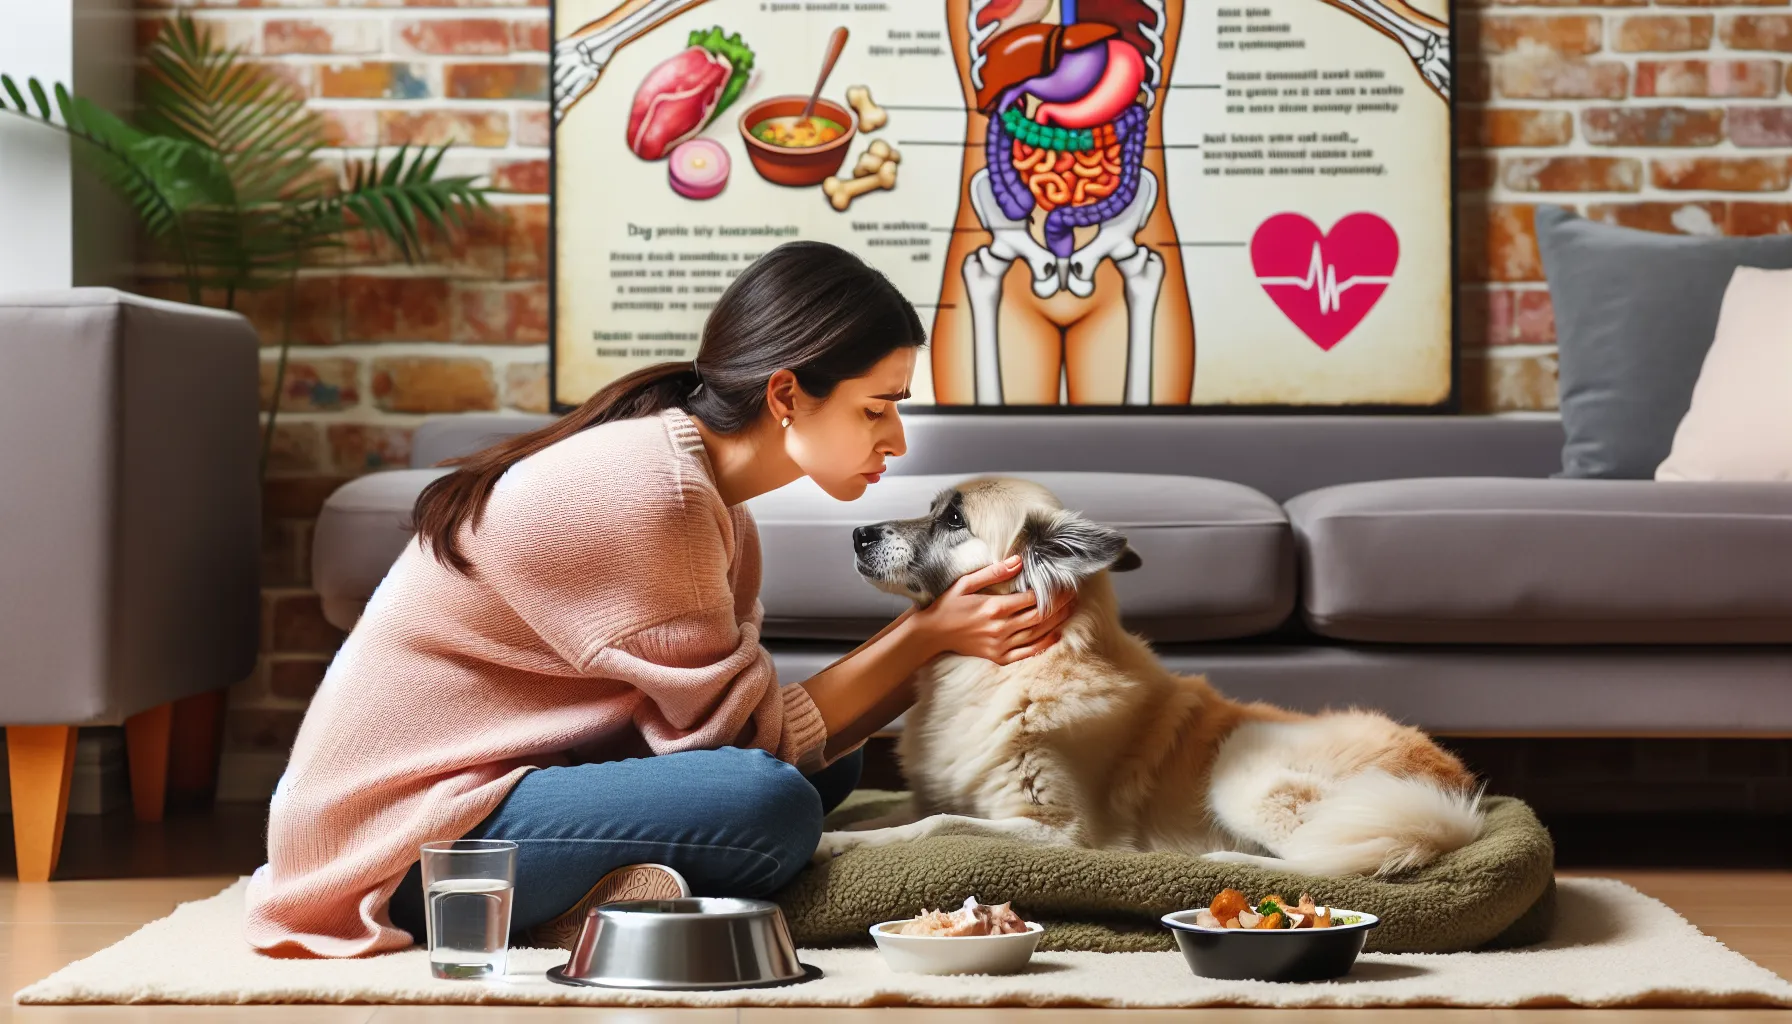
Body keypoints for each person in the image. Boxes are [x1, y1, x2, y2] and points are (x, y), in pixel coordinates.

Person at [242, 241, 1078, 957]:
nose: (896, 438)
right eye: (877, 407)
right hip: (402, 843)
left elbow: (725, 725)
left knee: (833, 761)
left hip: (514, 774)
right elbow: (751, 748)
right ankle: (553, 908)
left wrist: (939, 636)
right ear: (787, 395)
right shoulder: (658, 491)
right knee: (773, 803)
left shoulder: (705, 488)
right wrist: (928, 634)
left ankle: (620, 879)